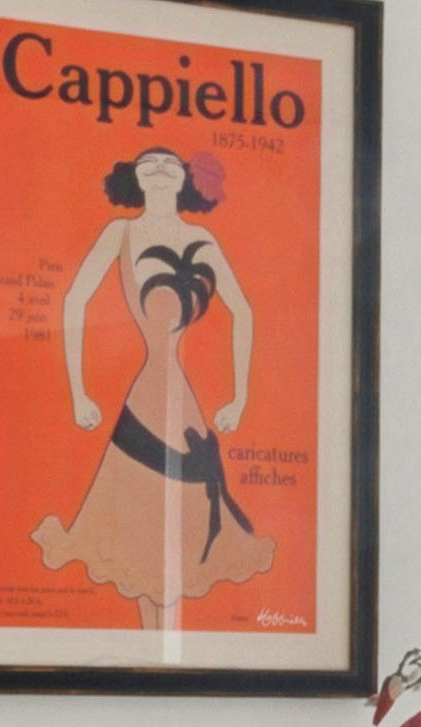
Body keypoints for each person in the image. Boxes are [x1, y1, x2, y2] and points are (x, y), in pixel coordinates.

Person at [28, 142, 273, 617]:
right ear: (135, 178)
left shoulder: (204, 240)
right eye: (148, 163)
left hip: (181, 402)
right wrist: (78, 392)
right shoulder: (120, 231)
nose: (159, 168)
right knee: (138, 523)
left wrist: (240, 398)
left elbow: (244, 310)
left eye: (168, 164)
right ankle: (150, 655)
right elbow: (74, 301)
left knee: (187, 526)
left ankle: (166, 658)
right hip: (145, 397)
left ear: (184, 180)